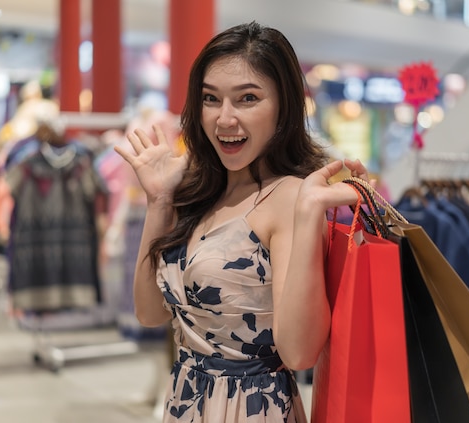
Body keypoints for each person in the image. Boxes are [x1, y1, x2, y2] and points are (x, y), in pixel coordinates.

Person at [115, 21, 370, 422]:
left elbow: (299, 353)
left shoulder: (288, 197)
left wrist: (307, 214)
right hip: (186, 400)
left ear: (284, 106)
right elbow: (149, 313)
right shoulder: (199, 190)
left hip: (252, 409)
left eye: (247, 98)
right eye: (211, 99)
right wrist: (160, 200)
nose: (224, 119)